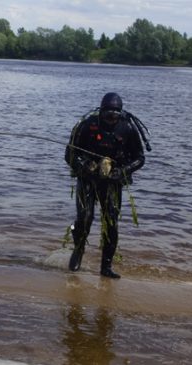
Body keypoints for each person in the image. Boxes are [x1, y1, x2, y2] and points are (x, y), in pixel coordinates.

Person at [64, 92, 146, 279]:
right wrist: (83, 166)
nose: (111, 118)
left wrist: (123, 171)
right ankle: (78, 249)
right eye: (107, 114)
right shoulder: (87, 126)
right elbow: (69, 154)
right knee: (84, 218)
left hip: (112, 183)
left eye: (115, 115)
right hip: (88, 179)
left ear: (120, 114)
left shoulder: (128, 128)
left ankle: (106, 267)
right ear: (101, 111)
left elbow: (140, 158)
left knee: (111, 223)